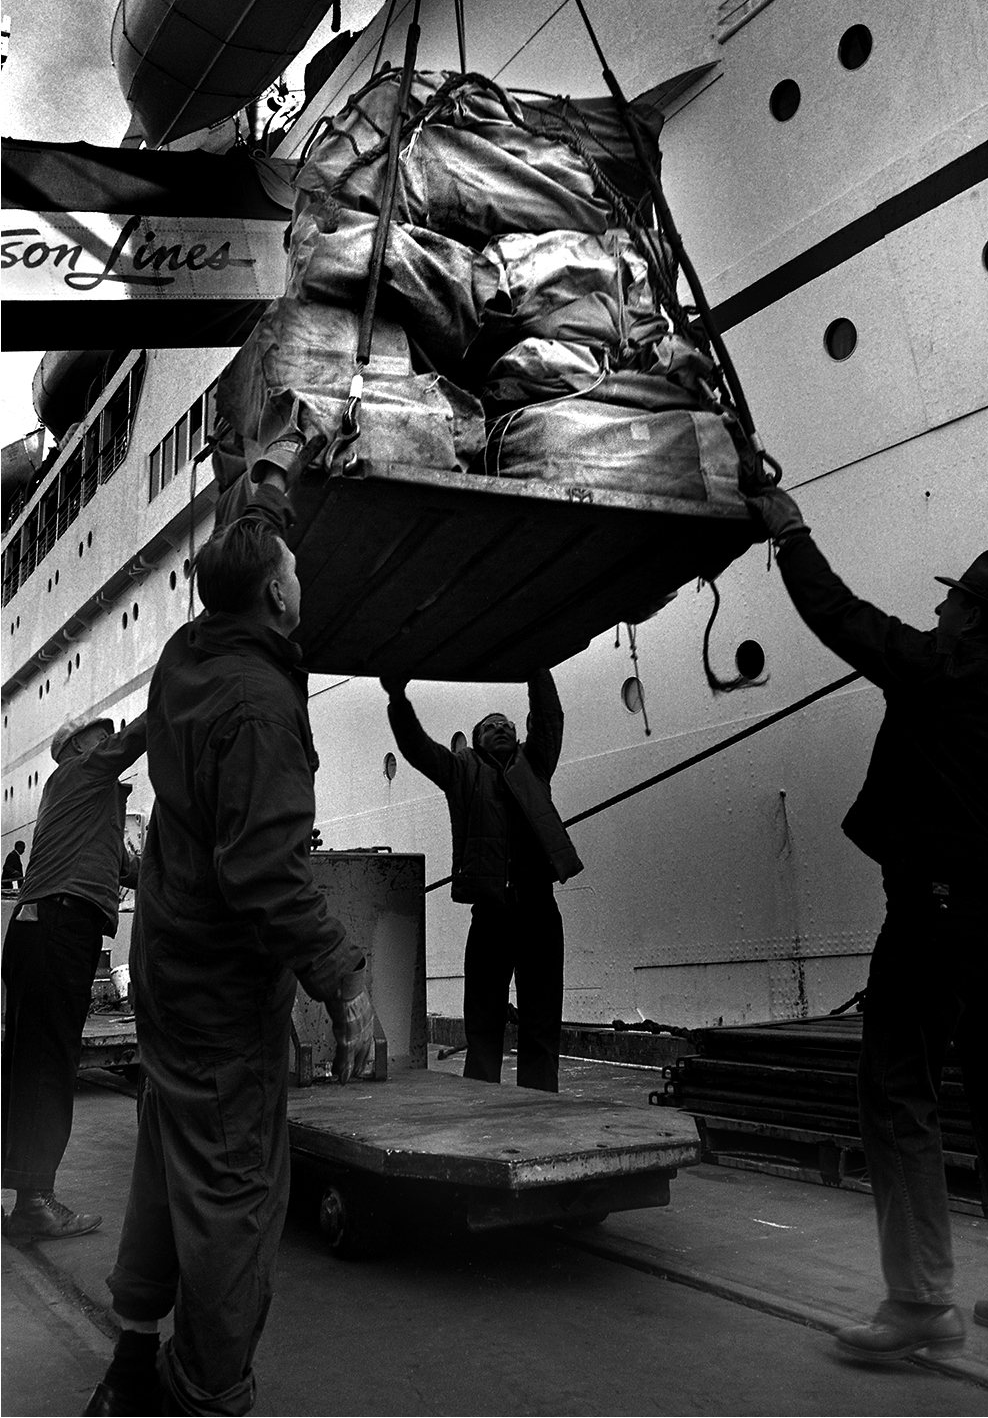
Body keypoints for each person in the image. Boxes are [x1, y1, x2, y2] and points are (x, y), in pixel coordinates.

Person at [85, 489, 374, 1418]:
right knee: (235, 1189)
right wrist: (343, 979)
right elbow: (265, 874)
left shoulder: (187, 656)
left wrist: (268, 489)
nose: (303, 579)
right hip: (219, 981)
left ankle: (133, 1359)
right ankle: (206, 1391)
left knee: (169, 1148)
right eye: (294, 568)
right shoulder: (258, 706)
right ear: (276, 596)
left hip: (167, 960)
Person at [748, 484, 988, 1362]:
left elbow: (842, 617)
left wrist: (790, 533)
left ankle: (921, 1297)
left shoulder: (943, 671)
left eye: (953, 602)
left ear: (975, 619)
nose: (939, 610)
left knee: (895, 1089)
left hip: (934, 911)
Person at [382, 669, 582, 1093]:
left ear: (519, 735)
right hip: (491, 917)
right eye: (490, 727)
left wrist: (536, 667)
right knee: (483, 1028)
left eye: (507, 724)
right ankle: (479, 1110)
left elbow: (548, 717)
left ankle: (539, 1111)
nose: (501, 728)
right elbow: (418, 749)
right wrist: (398, 701)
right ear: (475, 742)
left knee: (541, 1027)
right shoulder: (461, 772)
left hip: (540, 911)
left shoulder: (535, 763)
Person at [2, 713, 147, 1244]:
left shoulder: (85, 804)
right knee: (49, 1062)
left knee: (27, 1062)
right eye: (99, 735)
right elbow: (138, 736)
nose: (110, 738)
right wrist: (186, 681)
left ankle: (24, 1193)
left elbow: (129, 869)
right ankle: (34, 1204)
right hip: (59, 927)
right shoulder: (81, 772)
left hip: (37, 929)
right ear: (75, 749)